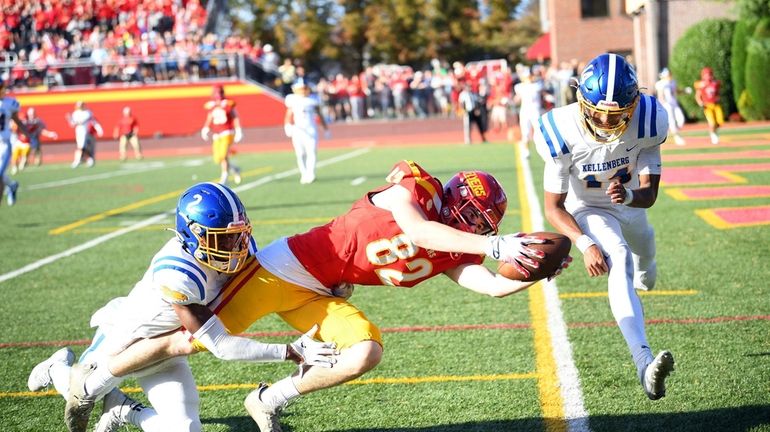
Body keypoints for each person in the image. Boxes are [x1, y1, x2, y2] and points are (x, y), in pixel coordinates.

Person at [74, 160, 570, 432]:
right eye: (474, 219)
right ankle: (92, 381)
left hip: (320, 293)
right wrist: (494, 244)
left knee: (364, 352)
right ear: (455, 201)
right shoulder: (415, 191)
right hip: (281, 268)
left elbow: (492, 284)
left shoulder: (456, 247)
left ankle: (268, 399)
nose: (476, 229)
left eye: (484, 227)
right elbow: (419, 231)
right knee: (191, 341)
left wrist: (537, 271)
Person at [26, 182, 337, 432]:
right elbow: (222, 346)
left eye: (237, 236)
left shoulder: (237, 250)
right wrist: (287, 351)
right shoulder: (177, 274)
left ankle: (124, 410)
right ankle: (56, 365)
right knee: (77, 393)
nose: (236, 248)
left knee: (185, 428)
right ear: (193, 235)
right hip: (122, 343)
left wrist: (323, 283)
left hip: (163, 354)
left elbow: (275, 275)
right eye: (223, 240)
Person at [534, 53, 675, 401]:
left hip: (628, 201)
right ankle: (644, 362)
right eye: (597, 112)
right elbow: (553, 206)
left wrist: (627, 195)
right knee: (620, 256)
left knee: (645, 251)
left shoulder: (649, 120)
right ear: (580, 98)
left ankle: (648, 270)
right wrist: (584, 243)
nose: (606, 122)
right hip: (588, 207)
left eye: (617, 115)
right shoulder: (559, 129)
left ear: (634, 103)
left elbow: (650, 194)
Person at [283, 79, 329, 184]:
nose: (303, 91)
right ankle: (304, 174)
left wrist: (325, 129)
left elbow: (320, 115)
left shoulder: (313, 100)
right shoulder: (292, 100)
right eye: (301, 89)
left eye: (304, 88)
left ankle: (311, 173)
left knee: (312, 152)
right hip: (298, 130)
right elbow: (288, 114)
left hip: (311, 129)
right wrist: (287, 126)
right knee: (300, 154)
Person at [201, 85, 243, 185]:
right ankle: (234, 169)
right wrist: (205, 127)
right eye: (216, 93)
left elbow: (235, 116)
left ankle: (224, 178)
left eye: (219, 93)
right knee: (217, 158)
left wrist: (239, 129)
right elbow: (210, 117)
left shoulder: (228, 104)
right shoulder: (212, 105)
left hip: (227, 132)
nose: (217, 95)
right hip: (217, 134)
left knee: (224, 155)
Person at [0, 79, 28, 207]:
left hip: (4, 143)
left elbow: (16, 120)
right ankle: (11, 185)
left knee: (0, 173)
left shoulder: (10, 103)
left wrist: (28, 135)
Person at [513, 67, 545, 159]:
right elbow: (517, 99)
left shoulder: (537, 85)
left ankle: (542, 150)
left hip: (535, 110)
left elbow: (543, 93)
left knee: (538, 132)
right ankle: (526, 151)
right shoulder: (520, 87)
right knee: (525, 132)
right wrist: (510, 101)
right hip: (525, 111)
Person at [67, 101, 103, 168]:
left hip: (85, 131)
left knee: (82, 147)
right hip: (78, 131)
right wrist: (69, 119)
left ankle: (79, 160)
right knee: (82, 147)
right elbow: (72, 124)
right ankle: (88, 159)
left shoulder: (87, 112)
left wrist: (99, 130)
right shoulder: (75, 113)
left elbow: (82, 121)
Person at [654, 68, 686, 146]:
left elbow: (675, 91)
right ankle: (677, 137)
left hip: (674, 104)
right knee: (672, 121)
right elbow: (660, 95)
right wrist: (662, 105)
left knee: (681, 120)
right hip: (666, 104)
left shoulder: (673, 82)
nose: (669, 76)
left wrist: (684, 91)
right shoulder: (660, 84)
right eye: (667, 75)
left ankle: (673, 131)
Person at [693, 66, 723, 145]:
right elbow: (697, 95)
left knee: (720, 122)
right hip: (707, 106)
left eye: (709, 74)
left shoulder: (715, 83)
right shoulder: (701, 84)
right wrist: (700, 102)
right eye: (706, 75)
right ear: (703, 75)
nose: (708, 76)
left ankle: (714, 132)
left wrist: (718, 97)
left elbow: (718, 92)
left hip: (716, 105)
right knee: (712, 123)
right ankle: (713, 135)